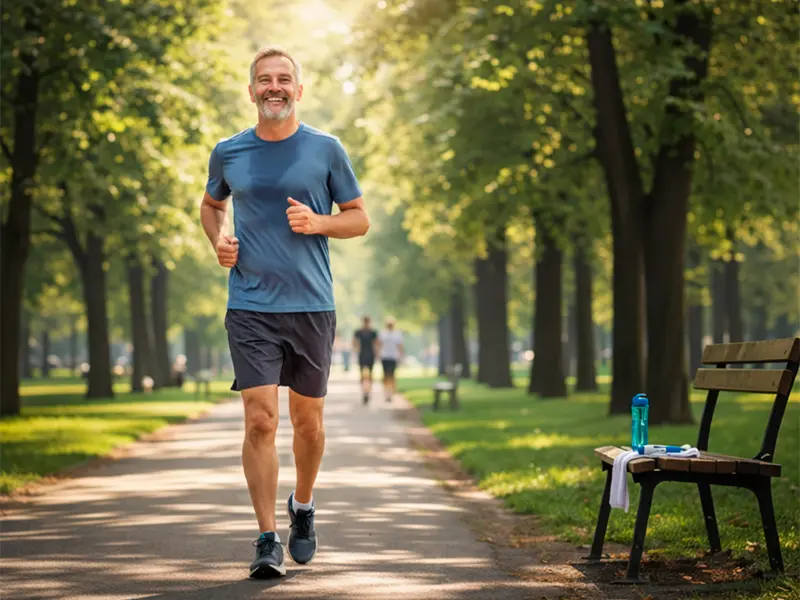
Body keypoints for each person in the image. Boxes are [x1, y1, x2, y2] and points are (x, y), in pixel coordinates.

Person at [199, 45, 369, 579]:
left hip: (311, 306)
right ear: (251, 91)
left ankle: (303, 506)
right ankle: (266, 538)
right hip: (249, 305)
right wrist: (219, 240)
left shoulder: (326, 149)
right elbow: (211, 205)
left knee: (308, 424)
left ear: (299, 89)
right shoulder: (229, 151)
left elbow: (359, 219)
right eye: (264, 80)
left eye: (284, 79)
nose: (274, 87)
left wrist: (319, 223)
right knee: (259, 420)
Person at [377, 317, 404, 402]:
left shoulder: (397, 334)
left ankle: (391, 392)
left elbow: (400, 346)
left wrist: (401, 356)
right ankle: (386, 392)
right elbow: (379, 344)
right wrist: (378, 354)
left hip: (393, 357)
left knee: (392, 375)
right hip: (385, 356)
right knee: (385, 375)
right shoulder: (383, 333)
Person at [352, 316, 377, 405]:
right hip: (362, 355)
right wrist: (355, 349)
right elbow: (354, 343)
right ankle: (364, 392)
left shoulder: (373, 332)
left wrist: (377, 354)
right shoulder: (358, 332)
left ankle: (368, 391)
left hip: (370, 355)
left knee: (370, 375)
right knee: (362, 375)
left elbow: (376, 344)